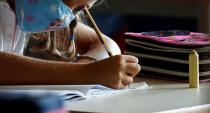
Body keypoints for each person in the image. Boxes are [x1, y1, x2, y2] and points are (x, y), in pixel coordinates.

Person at [0, 0, 141, 89]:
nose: (63, 16)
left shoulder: (28, 13)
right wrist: (86, 74)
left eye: (78, 9)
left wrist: (87, 65)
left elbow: (108, 44)